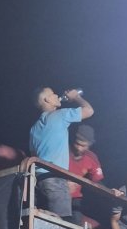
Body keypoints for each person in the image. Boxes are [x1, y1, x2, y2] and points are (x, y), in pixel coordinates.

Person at [28, 86, 94, 219]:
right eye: (53, 94)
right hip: (56, 178)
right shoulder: (60, 115)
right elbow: (89, 111)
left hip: (38, 181)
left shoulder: (34, 129)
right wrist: (76, 97)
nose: (56, 95)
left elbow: (33, 153)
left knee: (44, 221)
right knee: (62, 223)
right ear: (47, 100)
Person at [67, 123, 104, 224]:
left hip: (75, 199)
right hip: (57, 192)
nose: (79, 148)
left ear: (90, 145)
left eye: (83, 145)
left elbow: (97, 181)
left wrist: (113, 191)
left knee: (76, 224)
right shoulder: (63, 149)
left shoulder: (92, 158)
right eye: (77, 144)